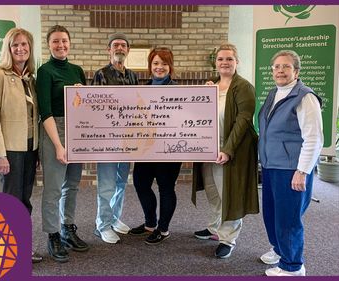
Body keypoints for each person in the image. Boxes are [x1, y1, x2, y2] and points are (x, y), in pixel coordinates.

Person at [258, 50, 323, 276]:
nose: (280, 70)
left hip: (291, 169)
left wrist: (302, 171)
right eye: (276, 66)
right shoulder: (274, 93)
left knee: (288, 218)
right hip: (271, 165)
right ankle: (279, 250)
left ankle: (292, 266)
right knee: (272, 213)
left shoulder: (305, 97)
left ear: (296, 71)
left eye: (286, 66)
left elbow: (314, 138)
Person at [192, 43, 259, 258]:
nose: (224, 63)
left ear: (237, 62)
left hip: (231, 151)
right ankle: (214, 228)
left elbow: (243, 120)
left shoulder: (243, 87)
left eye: (229, 59)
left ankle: (228, 239)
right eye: (221, 59)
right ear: (215, 63)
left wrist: (228, 149)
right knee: (213, 191)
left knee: (229, 194)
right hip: (208, 150)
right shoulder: (212, 87)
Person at [0, 27, 42, 263]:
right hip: (10, 151)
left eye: (24, 44)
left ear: (30, 48)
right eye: (15, 45)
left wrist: (35, 149)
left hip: (29, 148)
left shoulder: (29, 79)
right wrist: (0, 154)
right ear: (8, 49)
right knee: (10, 202)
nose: (20, 48)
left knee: (24, 201)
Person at [37, 25, 89, 263]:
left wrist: (80, 97)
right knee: (53, 189)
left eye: (64, 41)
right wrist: (58, 145)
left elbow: (84, 107)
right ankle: (53, 235)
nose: (61, 45)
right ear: (49, 44)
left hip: (76, 130)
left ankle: (68, 227)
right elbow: (45, 111)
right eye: (56, 41)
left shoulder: (77, 70)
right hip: (53, 131)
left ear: (70, 42)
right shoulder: (45, 71)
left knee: (73, 185)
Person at [128, 47, 182, 245]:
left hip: (169, 149)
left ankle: (163, 228)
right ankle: (150, 223)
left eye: (164, 63)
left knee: (166, 188)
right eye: (156, 63)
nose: (160, 67)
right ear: (150, 66)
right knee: (141, 183)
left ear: (170, 66)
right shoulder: (142, 90)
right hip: (146, 147)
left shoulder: (179, 91)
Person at [91, 33, 139, 244]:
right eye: (115, 45)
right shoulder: (101, 74)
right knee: (107, 184)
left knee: (121, 181)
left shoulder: (133, 76)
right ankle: (102, 224)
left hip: (127, 139)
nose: (119, 47)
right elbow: (94, 107)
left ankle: (114, 217)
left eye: (123, 45)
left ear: (127, 50)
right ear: (108, 50)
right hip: (107, 139)